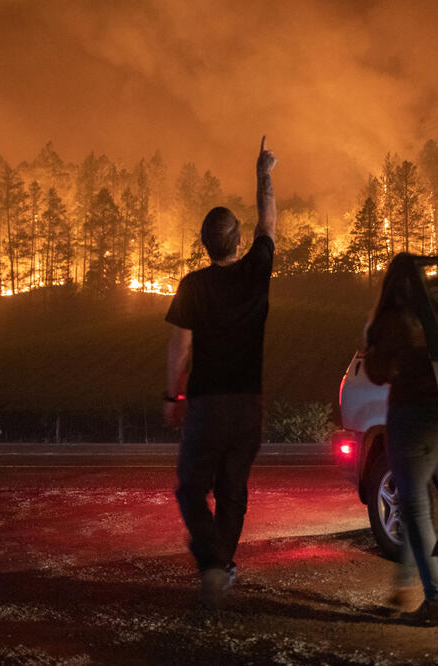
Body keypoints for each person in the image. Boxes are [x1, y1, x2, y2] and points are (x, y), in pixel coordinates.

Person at [163, 136, 277, 611]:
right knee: (233, 491)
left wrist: (172, 397)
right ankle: (222, 565)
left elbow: (180, 347)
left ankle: (212, 561)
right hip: (248, 404)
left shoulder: (193, 286)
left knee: (191, 487)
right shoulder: (256, 271)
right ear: (236, 241)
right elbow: (268, 221)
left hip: (207, 404)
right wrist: (263, 173)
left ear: (206, 244)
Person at [363, 252, 438, 627]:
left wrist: (371, 344)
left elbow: (378, 372)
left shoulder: (391, 319)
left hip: (408, 416)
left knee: (413, 509)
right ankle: (402, 585)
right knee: (419, 501)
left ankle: (436, 600)